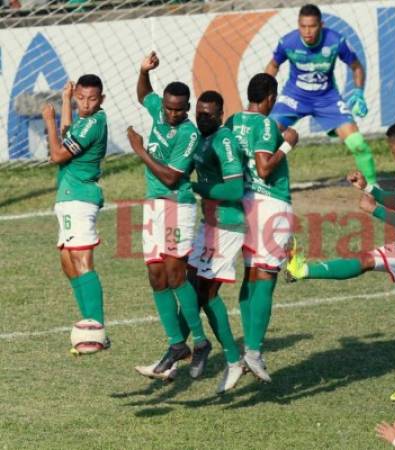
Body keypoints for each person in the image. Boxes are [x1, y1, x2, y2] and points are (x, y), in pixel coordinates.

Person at [286, 120, 395, 400]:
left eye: (389, 149)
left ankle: (301, 269)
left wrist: (374, 210)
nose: (390, 155)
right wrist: (369, 189)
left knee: (366, 260)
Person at [127, 51, 211, 380]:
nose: (173, 114)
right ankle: (178, 343)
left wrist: (139, 150)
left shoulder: (189, 134)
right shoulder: (158, 111)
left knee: (176, 275)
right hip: (154, 206)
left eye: (179, 110)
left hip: (178, 204)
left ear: (187, 109)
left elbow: (172, 178)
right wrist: (143, 69)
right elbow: (143, 94)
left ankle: (201, 341)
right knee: (156, 276)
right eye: (169, 108)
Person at [225, 73, 298, 383]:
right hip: (270, 204)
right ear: (270, 96)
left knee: (251, 275)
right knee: (266, 278)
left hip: (244, 203)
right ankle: (253, 353)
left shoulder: (232, 121)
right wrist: (288, 144)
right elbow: (266, 169)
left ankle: (249, 348)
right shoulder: (266, 125)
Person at [265, 3, 377, 185]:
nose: (307, 31)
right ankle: (259, 181)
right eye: (303, 26)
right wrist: (265, 91)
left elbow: (356, 67)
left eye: (312, 26)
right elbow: (273, 65)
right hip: (294, 96)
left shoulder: (336, 41)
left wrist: (358, 93)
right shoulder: (288, 42)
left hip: (327, 99)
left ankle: (373, 189)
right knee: (266, 133)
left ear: (321, 25)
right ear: (298, 25)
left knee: (358, 144)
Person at [41, 74, 109, 354]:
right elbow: (69, 132)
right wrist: (66, 102)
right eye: (81, 98)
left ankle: (97, 327)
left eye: (92, 99)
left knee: (81, 260)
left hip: (80, 199)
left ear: (101, 99)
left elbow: (57, 155)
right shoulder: (85, 119)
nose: (86, 104)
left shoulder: (94, 123)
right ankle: (89, 322)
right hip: (69, 198)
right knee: (68, 262)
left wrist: (48, 121)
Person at [186, 90, 246, 393]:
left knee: (207, 294)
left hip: (228, 225)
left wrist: (197, 186)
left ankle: (233, 360)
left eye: (209, 114)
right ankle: (186, 348)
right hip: (208, 224)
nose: (203, 117)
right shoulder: (199, 137)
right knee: (188, 287)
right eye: (199, 112)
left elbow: (235, 191)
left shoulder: (224, 141)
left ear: (221, 115)